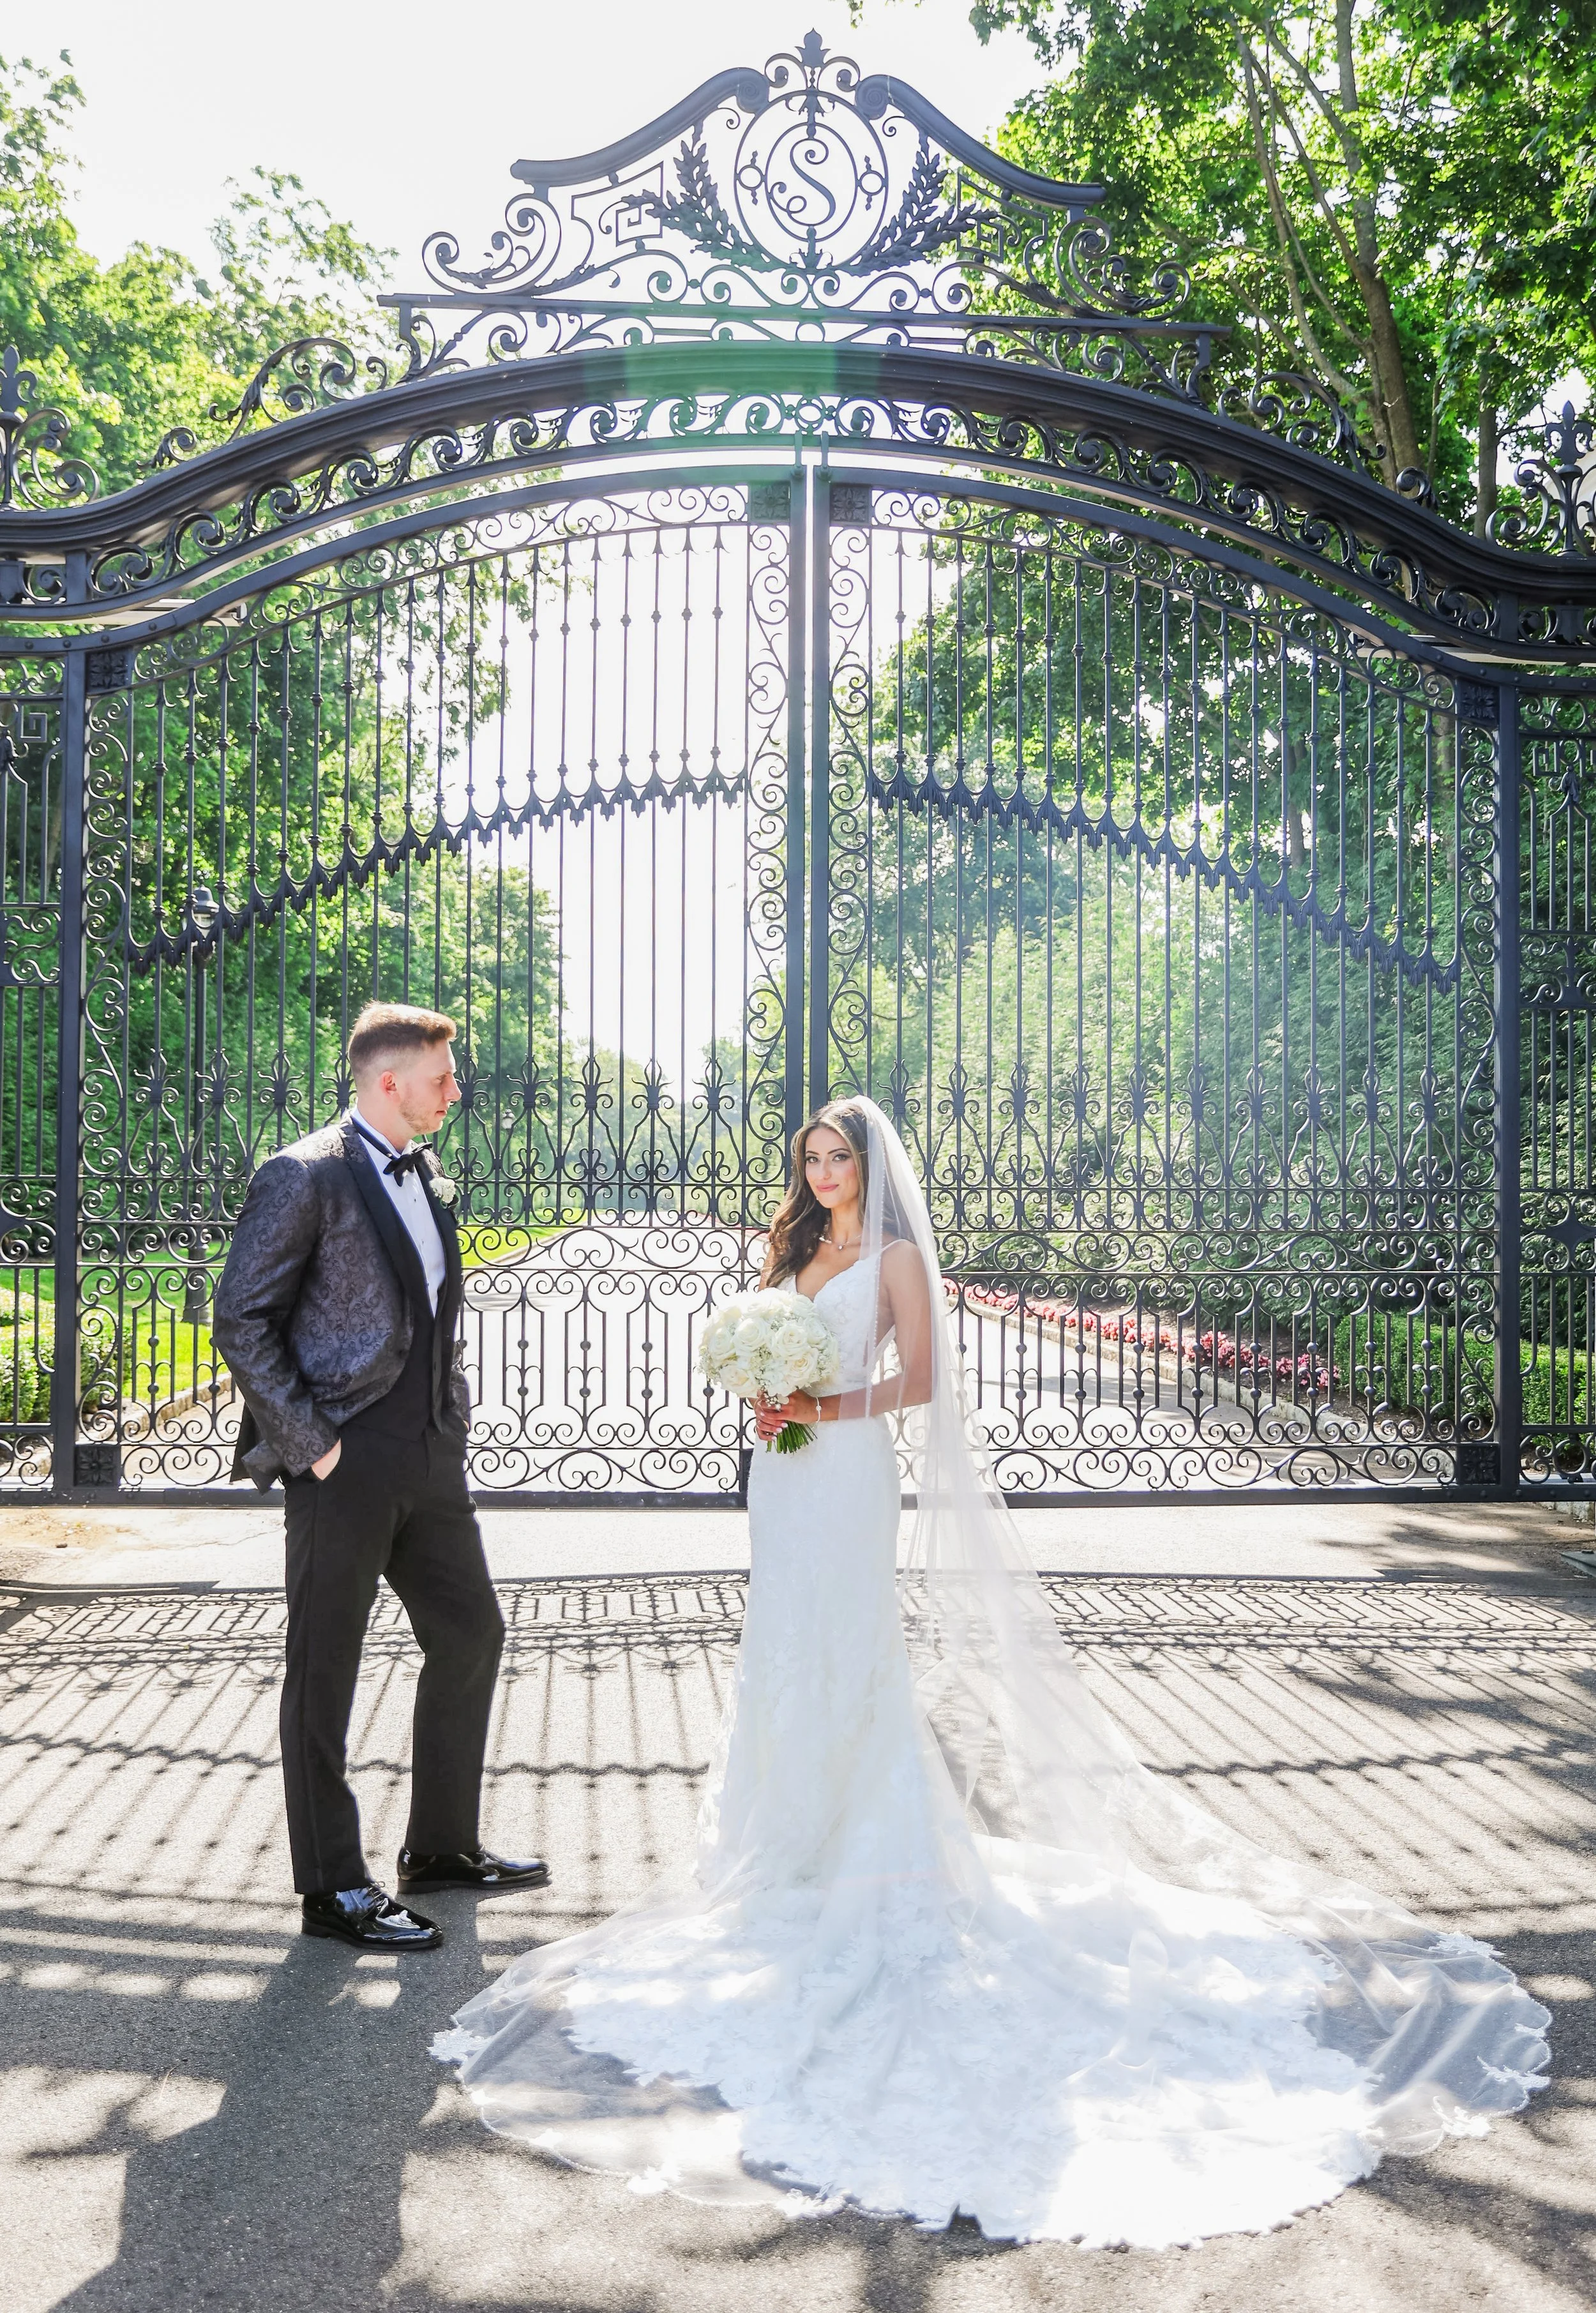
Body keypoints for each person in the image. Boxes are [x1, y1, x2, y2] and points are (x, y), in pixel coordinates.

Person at [433, 1096, 1549, 2247]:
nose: (824, 1173)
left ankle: (868, 1840)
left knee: (848, 1648)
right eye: (812, 1157)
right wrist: (771, 1401)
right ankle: (789, 1836)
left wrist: (821, 1399)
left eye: (841, 1156)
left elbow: (919, 1382)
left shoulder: (897, 1255)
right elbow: (779, 1354)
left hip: (849, 1461)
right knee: (783, 1651)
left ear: (870, 1165)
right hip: (788, 1470)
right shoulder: (797, 1248)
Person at [213, 1001, 548, 1952]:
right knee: (325, 1672)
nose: (458, 1089)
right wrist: (314, 1444)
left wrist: (451, 1419)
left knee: (472, 1631)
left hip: (430, 1458)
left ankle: (440, 1847)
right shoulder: (303, 1174)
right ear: (388, 1081)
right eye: (444, 1076)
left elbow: (427, 1310)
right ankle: (334, 1887)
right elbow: (240, 1317)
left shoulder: (425, 1171)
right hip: (344, 1461)